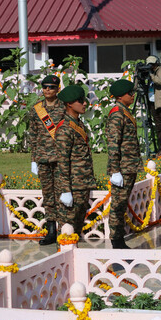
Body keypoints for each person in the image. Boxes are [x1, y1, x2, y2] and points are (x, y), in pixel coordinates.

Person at [28, 75, 65, 245]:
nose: (47, 90)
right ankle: (51, 230)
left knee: (63, 193)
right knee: (48, 195)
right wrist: (33, 159)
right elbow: (33, 135)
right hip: (42, 158)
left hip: (60, 157)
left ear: (58, 89)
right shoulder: (37, 109)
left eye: (51, 87)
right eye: (44, 87)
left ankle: (65, 229)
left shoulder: (65, 107)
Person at [55, 85, 96, 236]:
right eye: (80, 101)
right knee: (66, 231)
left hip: (81, 184)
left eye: (84, 100)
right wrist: (65, 190)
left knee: (76, 230)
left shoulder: (78, 124)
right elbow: (62, 161)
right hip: (72, 185)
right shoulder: (65, 128)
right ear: (69, 104)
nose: (85, 103)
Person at [106, 79, 142, 249]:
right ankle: (116, 240)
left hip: (129, 166)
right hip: (123, 168)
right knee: (117, 205)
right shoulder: (117, 114)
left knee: (122, 204)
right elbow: (113, 144)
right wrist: (115, 171)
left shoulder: (124, 111)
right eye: (130, 93)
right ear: (121, 96)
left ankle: (119, 238)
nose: (133, 96)